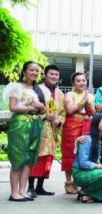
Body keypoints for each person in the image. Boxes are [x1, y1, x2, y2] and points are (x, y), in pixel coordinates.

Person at [3, 61, 46, 202]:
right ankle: (14, 192)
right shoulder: (16, 87)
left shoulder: (38, 90)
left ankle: (23, 190)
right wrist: (32, 107)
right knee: (18, 157)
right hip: (20, 124)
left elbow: (43, 110)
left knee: (29, 158)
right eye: (32, 70)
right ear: (25, 71)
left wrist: (40, 107)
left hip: (35, 124)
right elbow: (13, 107)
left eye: (37, 71)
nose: (34, 73)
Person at [28, 64, 65, 197]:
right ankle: (30, 187)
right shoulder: (36, 89)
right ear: (45, 75)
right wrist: (45, 116)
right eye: (51, 74)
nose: (54, 77)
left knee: (48, 158)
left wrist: (59, 121)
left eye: (56, 75)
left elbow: (63, 112)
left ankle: (40, 187)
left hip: (53, 131)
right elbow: (29, 108)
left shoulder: (60, 94)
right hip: (39, 128)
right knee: (36, 156)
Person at [73, 113, 102, 203]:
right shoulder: (86, 139)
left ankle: (96, 194)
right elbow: (83, 163)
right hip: (81, 172)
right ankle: (85, 191)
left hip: (94, 170)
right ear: (96, 123)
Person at [61, 72, 96, 194]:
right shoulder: (69, 95)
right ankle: (69, 182)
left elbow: (93, 114)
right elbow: (70, 110)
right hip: (72, 125)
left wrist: (89, 105)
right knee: (70, 152)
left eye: (83, 80)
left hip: (87, 125)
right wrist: (82, 102)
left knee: (84, 153)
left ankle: (79, 182)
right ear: (73, 83)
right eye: (78, 81)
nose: (82, 83)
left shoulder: (90, 96)